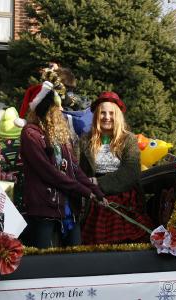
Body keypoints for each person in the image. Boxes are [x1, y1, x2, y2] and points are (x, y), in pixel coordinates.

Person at [20, 80, 105, 249]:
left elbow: (74, 168)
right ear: (45, 108)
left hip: (69, 208)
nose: (60, 110)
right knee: (42, 260)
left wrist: (96, 192)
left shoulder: (59, 134)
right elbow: (49, 173)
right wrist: (85, 192)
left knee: (75, 256)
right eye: (55, 106)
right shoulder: (30, 134)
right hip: (44, 208)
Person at [79, 91, 153, 244]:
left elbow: (131, 172)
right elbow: (80, 171)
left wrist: (99, 183)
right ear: (96, 116)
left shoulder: (129, 140)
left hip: (124, 199)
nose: (107, 117)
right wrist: (89, 188)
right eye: (103, 113)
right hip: (95, 200)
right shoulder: (86, 140)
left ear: (118, 116)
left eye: (111, 113)